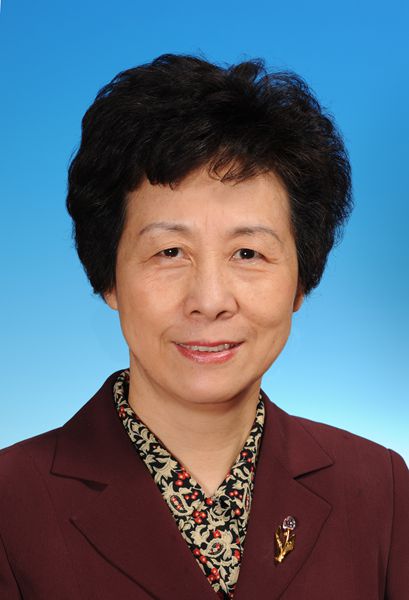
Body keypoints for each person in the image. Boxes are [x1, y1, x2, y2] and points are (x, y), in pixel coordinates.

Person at [0, 53, 408, 600]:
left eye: (248, 253)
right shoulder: (11, 502)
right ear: (109, 277)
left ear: (301, 281)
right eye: (170, 251)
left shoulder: (380, 487)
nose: (209, 302)